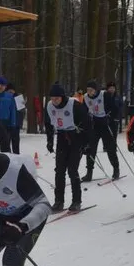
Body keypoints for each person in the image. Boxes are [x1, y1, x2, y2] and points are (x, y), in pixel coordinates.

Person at [44, 82, 91, 212]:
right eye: (52, 98)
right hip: (61, 136)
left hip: (76, 136)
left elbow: (87, 123)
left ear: (62, 97)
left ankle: (76, 200)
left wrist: (87, 144)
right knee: (59, 171)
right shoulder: (49, 106)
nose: (54, 101)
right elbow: (48, 124)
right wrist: (49, 141)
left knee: (72, 170)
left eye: (57, 98)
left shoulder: (74, 105)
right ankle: (59, 201)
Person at [82, 80, 121, 181]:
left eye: (91, 90)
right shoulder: (86, 97)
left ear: (96, 90)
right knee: (91, 148)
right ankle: (89, 173)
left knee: (110, 148)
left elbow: (115, 109)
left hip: (106, 124)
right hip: (95, 124)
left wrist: (109, 118)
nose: (89, 92)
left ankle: (116, 169)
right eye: (88, 90)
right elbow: (83, 112)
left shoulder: (105, 95)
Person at [7, 82, 26, 154]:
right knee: (6, 144)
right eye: (9, 90)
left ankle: (17, 158)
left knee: (16, 144)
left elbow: (22, 112)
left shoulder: (18, 98)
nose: (11, 92)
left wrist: (20, 123)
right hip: (7, 125)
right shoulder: (5, 98)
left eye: (12, 90)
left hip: (16, 125)